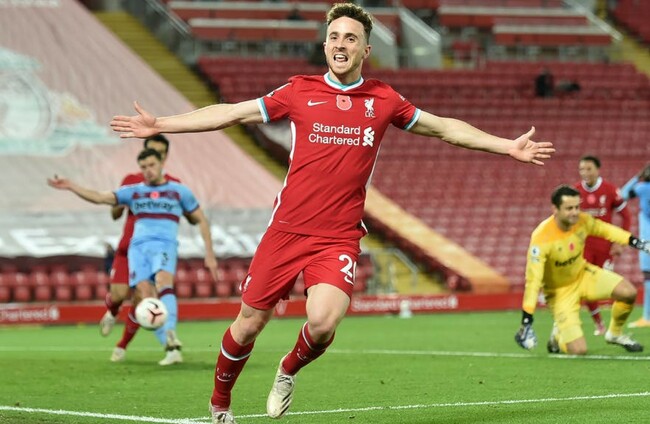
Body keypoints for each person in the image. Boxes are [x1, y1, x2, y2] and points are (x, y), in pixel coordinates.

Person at [110, 4, 555, 423]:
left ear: (366, 49)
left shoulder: (384, 99)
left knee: (322, 324)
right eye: (334, 36)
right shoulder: (299, 91)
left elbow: (444, 128)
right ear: (325, 45)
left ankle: (287, 369)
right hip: (286, 231)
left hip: (338, 236)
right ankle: (220, 402)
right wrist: (162, 125)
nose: (341, 44)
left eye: (351, 38)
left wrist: (506, 146)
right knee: (249, 324)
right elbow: (232, 113)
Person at [47, 149, 218, 364]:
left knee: (164, 282)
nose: (148, 170)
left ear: (161, 164)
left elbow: (201, 219)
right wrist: (72, 186)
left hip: (164, 245)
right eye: (143, 167)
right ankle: (168, 345)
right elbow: (100, 197)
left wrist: (209, 253)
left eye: (152, 165)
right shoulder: (134, 191)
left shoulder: (179, 191)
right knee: (144, 296)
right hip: (137, 249)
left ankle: (170, 332)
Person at [514, 185, 650, 356]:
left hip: (583, 274)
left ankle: (614, 334)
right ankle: (557, 336)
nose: (575, 212)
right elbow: (533, 281)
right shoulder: (541, 237)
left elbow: (606, 230)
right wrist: (527, 320)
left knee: (628, 293)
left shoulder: (582, 221)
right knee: (579, 350)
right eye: (569, 208)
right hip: (560, 292)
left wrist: (638, 243)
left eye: (577, 207)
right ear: (555, 209)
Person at [99, 135, 191, 365]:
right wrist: (119, 202)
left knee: (144, 299)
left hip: (155, 251)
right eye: (151, 150)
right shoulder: (132, 181)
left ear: (164, 157)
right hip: (128, 248)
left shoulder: (174, 184)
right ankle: (112, 310)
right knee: (119, 295)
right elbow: (115, 213)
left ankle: (128, 346)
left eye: (160, 153)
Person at [574, 155, 631, 335]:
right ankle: (599, 324)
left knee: (611, 287)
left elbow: (626, 216)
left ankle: (616, 326)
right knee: (586, 286)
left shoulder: (610, 190)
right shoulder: (575, 192)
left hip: (605, 248)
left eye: (588, 169)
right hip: (583, 247)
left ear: (598, 170)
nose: (585, 173)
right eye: (582, 169)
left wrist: (620, 242)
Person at [621, 163, 650, 328]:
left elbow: (622, 194)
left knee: (648, 277)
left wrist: (636, 177)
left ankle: (647, 317)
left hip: (647, 241)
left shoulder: (641, 187)